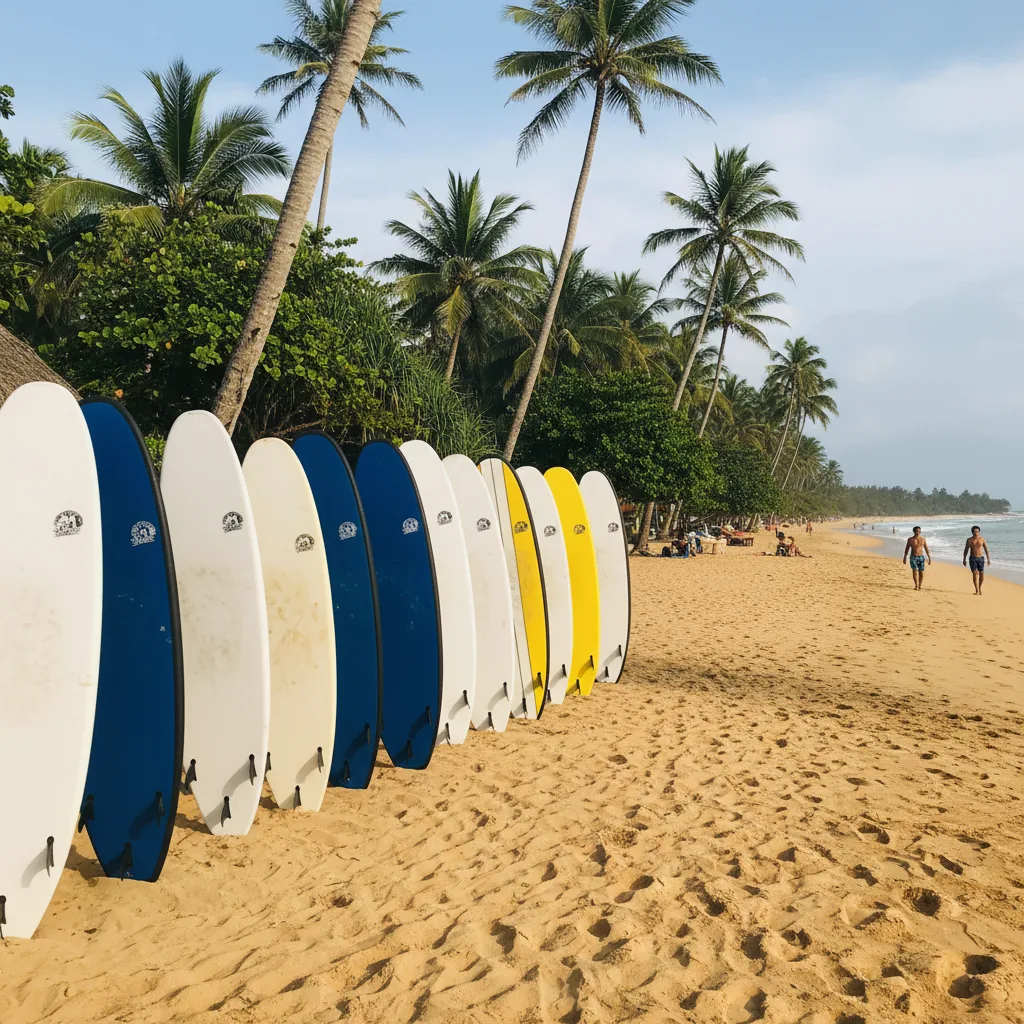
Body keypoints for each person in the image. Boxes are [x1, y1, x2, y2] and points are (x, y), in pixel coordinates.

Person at [963, 526, 991, 595]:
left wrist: (988, 559)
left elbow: (986, 549)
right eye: (975, 531)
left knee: (982, 574)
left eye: (977, 531)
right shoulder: (969, 540)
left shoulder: (982, 539)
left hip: (981, 558)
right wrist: (964, 559)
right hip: (973, 558)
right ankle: (977, 590)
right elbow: (966, 550)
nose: (976, 533)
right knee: (975, 573)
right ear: (972, 532)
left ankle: (979, 587)